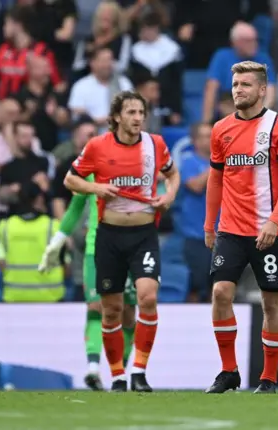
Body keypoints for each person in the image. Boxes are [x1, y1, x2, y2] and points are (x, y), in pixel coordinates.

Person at [63, 91, 180, 392]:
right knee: (111, 309)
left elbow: (173, 175)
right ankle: (117, 375)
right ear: (116, 117)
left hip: (143, 235)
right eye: (131, 112)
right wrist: (97, 188)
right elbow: (70, 180)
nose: (138, 118)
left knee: (148, 298)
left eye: (141, 112)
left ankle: (139, 371)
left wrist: (168, 196)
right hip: (109, 236)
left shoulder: (155, 145)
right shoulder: (97, 146)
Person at [204, 61, 278, 395]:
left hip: (269, 231)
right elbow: (216, 179)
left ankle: (269, 379)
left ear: (262, 89)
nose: (238, 90)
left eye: (245, 84)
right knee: (219, 293)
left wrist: (274, 219)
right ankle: (229, 371)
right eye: (235, 84)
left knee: (271, 303)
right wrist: (209, 224)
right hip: (230, 229)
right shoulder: (220, 130)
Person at [38, 170, 137, 391]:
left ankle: (118, 374)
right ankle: (93, 369)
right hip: (97, 249)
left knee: (128, 313)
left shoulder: (134, 170)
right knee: (95, 306)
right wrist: (57, 242)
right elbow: (75, 208)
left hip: (130, 249)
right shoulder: (92, 172)